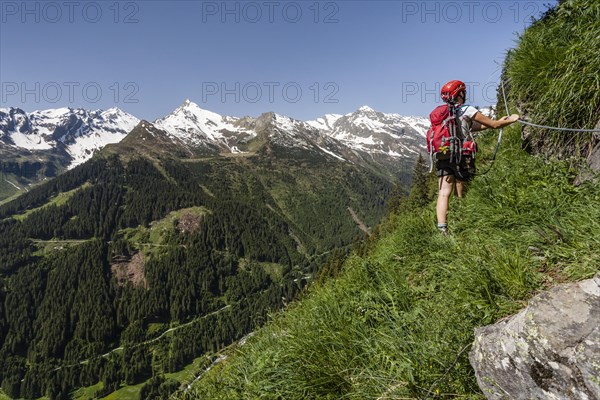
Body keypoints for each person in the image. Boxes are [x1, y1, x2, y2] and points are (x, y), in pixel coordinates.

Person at [435, 80, 519, 235]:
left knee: (443, 193)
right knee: (462, 189)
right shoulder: (467, 109)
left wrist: (495, 123)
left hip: (443, 154)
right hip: (462, 154)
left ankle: (442, 229)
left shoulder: (440, 114)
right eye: (463, 92)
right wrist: (510, 120)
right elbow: (494, 125)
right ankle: (462, 216)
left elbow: (470, 127)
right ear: (459, 94)